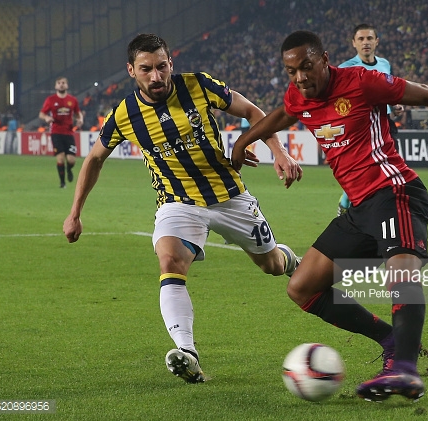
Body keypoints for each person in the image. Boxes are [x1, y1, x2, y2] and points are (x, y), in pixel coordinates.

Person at [231, 30, 428, 402]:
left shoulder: (360, 82)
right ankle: (391, 341)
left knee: (401, 273)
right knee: (301, 287)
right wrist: (243, 141)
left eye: (306, 67)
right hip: (357, 210)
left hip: (394, 192)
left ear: (324, 59)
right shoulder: (299, 95)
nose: (300, 78)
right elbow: (283, 114)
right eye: (291, 72)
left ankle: (405, 370)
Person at [62, 34, 302, 384]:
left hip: (230, 195)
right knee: (170, 261)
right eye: (146, 69)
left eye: (161, 66)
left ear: (171, 63)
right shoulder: (124, 114)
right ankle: (186, 352)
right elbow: (94, 159)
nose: (156, 76)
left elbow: (252, 112)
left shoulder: (198, 85)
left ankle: (288, 259)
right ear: (131, 70)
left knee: (270, 265)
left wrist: (279, 152)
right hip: (177, 202)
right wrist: (75, 212)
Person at [336, 23, 403, 216]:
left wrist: (394, 105)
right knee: (361, 173)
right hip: (360, 128)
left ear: (376, 42)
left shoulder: (385, 64)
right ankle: (345, 205)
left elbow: (387, 92)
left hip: (385, 124)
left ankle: (389, 216)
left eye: (369, 38)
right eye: (361, 39)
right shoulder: (345, 69)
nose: (366, 42)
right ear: (354, 43)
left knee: (392, 169)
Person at [39, 76, 84, 188]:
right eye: (59, 83)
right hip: (56, 132)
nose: (61, 84)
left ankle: (69, 169)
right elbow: (41, 114)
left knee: (71, 160)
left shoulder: (72, 100)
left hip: (69, 133)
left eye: (63, 82)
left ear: (67, 85)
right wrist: (46, 118)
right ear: (56, 86)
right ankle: (62, 183)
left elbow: (78, 113)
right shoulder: (50, 100)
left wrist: (80, 119)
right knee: (60, 158)